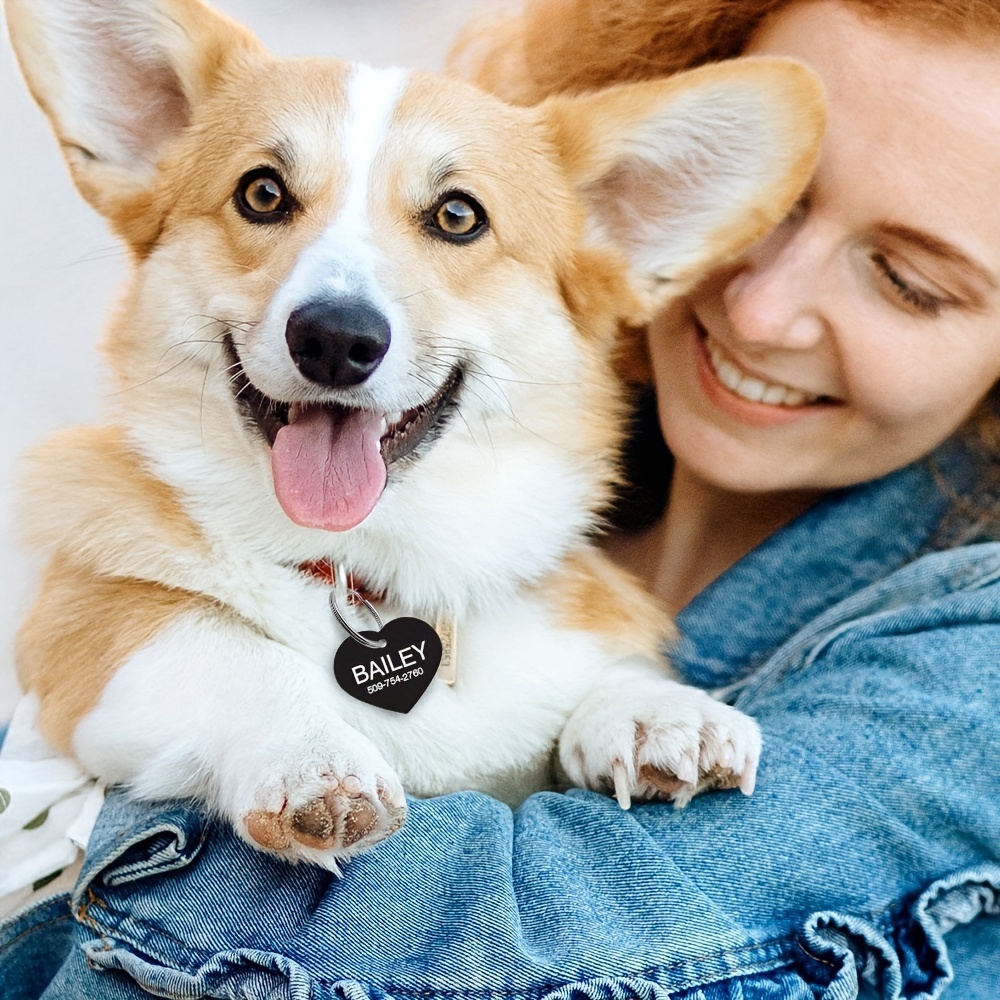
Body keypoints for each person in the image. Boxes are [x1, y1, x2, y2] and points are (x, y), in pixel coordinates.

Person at [2, 0, 999, 995]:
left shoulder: (966, 653)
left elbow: (522, 931)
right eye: (267, 195)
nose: (758, 309)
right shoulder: (116, 569)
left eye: (910, 282)